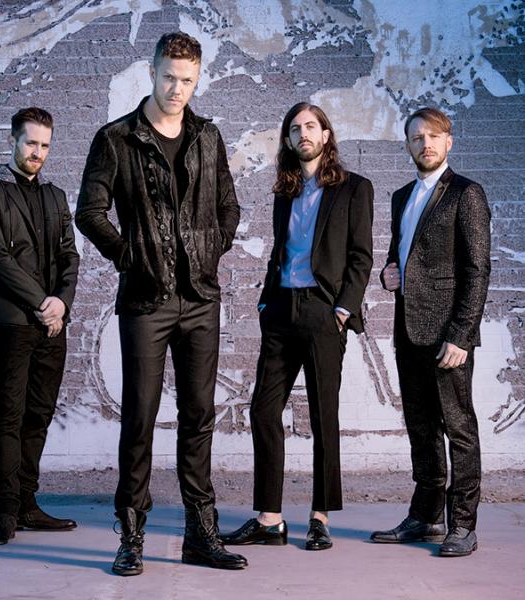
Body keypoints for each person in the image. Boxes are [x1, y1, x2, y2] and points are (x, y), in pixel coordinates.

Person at [76, 32, 247, 574]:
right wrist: (130, 256)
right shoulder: (116, 138)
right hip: (145, 302)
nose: (177, 89)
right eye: (170, 77)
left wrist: (210, 248)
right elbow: (89, 212)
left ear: (198, 80)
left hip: (200, 299)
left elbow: (229, 206)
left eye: (187, 80)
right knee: (140, 418)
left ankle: (201, 534)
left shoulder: (207, 136)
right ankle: (131, 537)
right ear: (151, 72)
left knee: (199, 417)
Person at [221, 102, 374, 551]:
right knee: (263, 411)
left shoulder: (355, 188)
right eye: (294, 128)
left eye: (311, 126)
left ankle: (320, 517)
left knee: (323, 417)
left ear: (325, 135)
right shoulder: (284, 192)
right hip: (282, 310)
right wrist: (266, 301)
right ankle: (270, 520)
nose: (303, 133)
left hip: (324, 312)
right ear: (288, 140)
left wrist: (342, 311)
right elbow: (280, 251)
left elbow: (361, 257)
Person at [370, 107, 491, 557]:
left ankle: (463, 525)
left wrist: (462, 334)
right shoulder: (402, 196)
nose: (426, 144)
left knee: (458, 428)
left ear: (448, 142)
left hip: (448, 336)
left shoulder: (466, 194)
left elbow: (478, 270)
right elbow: (399, 255)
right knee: (421, 427)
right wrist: (388, 274)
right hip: (408, 329)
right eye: (417, 137)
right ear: (408, 145)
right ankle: (426, 517)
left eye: (434, 136)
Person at [0, 107, 80, 545]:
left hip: (52, 323)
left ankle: (27, 505)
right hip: (11, 321)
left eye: (45, 145)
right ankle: (4, 513)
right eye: (31, 143)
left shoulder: (55, 195)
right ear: (13, 140)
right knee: (9, 416)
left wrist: (61, 303)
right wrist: (41, 303)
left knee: (39, 415)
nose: (38, 152)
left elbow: (70, 256)